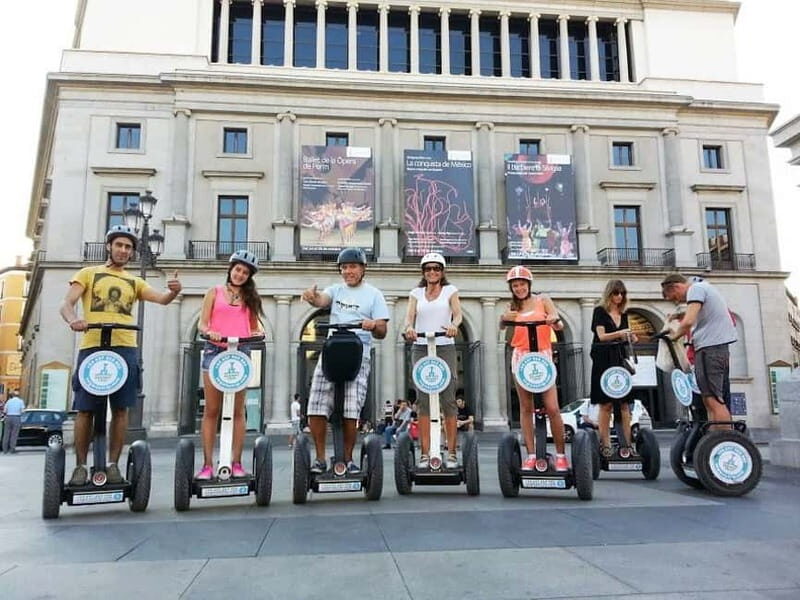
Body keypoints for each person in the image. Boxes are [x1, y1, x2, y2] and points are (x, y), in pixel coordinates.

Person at [59, 225, 182, 486]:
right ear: (109, 246)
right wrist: (73, 320)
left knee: (121, 409)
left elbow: (161, 299)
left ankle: (113, 464)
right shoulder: (88, 273)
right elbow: (67, 303)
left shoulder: (135, 281)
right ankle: (80, 466)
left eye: (128, 247)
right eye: (119, 245)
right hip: (92, 347)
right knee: (85, 409)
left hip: (125, 348)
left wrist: (173, 290)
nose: (124, 250)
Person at [301, 247, 389, 474]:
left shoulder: (374, 294)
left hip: (358, 354)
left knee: (351, 408)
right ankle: (320, 458)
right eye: (344, 267)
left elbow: (382, 330)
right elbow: (322, 300)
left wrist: (373, 325)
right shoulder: (336, 290)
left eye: (353, 267)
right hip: (332, 353)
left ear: (363, 269)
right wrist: (313, 298)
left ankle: (348, 459)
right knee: (316, 404)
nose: (348, 271)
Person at [195, 250, 264, 480]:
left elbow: (254, 327)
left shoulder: (251, 298)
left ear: (249, 276)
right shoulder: (213, 292)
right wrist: (210, 332)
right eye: (237, 269)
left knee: (237, 411)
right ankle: (207, 465)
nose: (240, 274)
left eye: (245, 272)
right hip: (215, 351)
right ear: (231, 269)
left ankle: (236, 463)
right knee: (212, 410)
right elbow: (202, 324)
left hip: (240, 353)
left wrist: (258, 333)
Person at [500, 266, 569, 471]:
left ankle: (561, 455)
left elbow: (557, 321)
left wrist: (554, 321)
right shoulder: (512, 307)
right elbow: (502, 324)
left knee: (552, 407)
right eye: (515, 286)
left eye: (522, 284)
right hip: (522, 356)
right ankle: (531, 455)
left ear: (529, 284)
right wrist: (504, 318)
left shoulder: (543, 300)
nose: (519, 288)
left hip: (542, 355)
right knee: (526, 408)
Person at [402, 252, 463, 468]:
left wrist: (454, 325)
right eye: (428, 269)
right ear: (423, 272)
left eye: (436, 268)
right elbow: (409, 317)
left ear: (442, 271)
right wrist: (409, 328)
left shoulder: (450, 290)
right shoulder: (415, 293)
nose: (432, 272)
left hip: (444, 346)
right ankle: (425, 453)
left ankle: (452, 452)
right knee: (423, 400)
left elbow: (458, 314)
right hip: (421, 346)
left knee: (448, 398)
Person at [660, 273, 737, 426]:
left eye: (674, 297)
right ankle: (715, 436)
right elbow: (697, 314)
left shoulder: (696, 289)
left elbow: (688, 321)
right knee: (708, 399)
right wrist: (678, 315)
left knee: (714, 399)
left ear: (676, 287)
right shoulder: (703, 289)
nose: (677, 301)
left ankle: (725, 436)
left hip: (711, 348)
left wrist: (674, 336)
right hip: (710, 347)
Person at [590, 280, 638, 453]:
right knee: (606, 404)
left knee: (624, 404)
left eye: (622, 294)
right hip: (603, 359)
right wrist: (620, 333)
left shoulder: (624, 314)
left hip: (619, 358)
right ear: (609, 294)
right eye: (616, 293)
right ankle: (606, 445)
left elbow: (625, 337)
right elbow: (601, 336)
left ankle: (627, 445)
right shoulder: (600, 311)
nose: (619, 297)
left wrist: (631, 337)